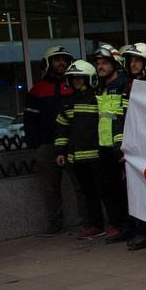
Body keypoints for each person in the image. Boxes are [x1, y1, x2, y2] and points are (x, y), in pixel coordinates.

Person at [54, 60, 109, 239]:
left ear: (89, 79)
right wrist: (60, 151)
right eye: (73, 78)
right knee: (88, 193)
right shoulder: (67, 102)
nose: (76, 81)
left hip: (97, 156)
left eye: (80, 78)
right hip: (76, 158)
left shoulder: (98, 98)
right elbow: (62, 129)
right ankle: (96, 225)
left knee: (105, 191)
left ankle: (116, 223)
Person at [24, 45, 76, 236]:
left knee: (81, 185)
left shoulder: (73, 85)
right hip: (47, 145)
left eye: (65, 59)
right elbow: (29, 120)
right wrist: (36, 146)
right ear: (48, 63)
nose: (62, 63)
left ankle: (89, 222)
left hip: (71, 144)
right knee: (50, 188)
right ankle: (55, 223)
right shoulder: (37, 90)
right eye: (57, 59)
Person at [90, 45, 132, 243]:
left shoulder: (125, 84)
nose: (100, 67)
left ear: (115, 65)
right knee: (107, 188)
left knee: (123, 190)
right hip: (103, 146)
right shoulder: (99, 86)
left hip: (120, 147)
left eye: (105, 63)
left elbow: (126, 117)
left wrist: (123, 146)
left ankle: (127, 226)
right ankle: (117, 224)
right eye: (98, 63)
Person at [121, 42, 146, 251]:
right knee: (133, 189)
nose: (133, 65)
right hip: (131, 146)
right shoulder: (126, 85)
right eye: (131, 61)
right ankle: (139, 230)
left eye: (138, 61)